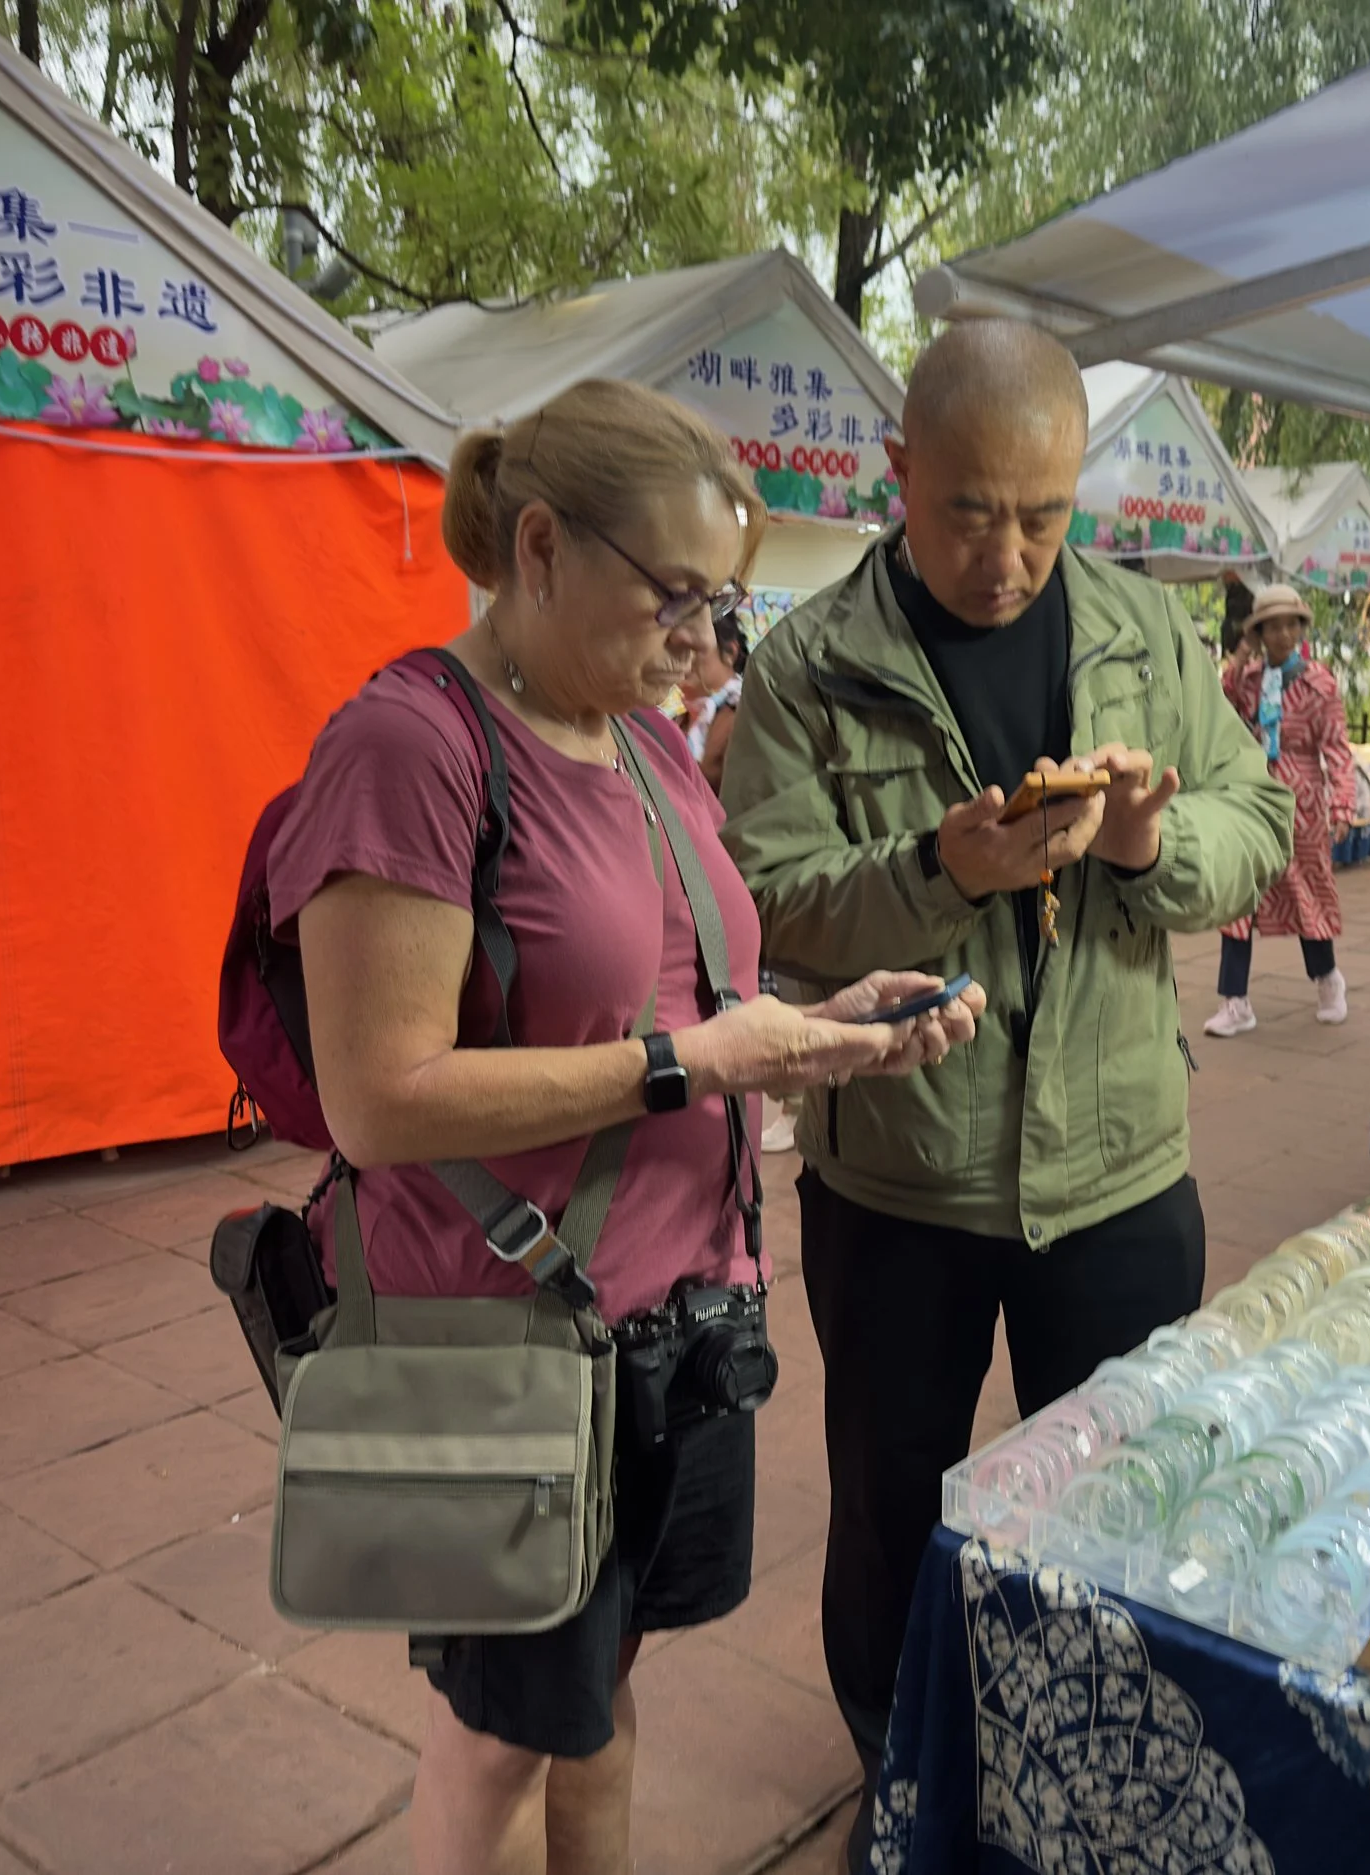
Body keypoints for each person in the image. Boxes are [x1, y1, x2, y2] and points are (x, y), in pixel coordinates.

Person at [269, 378, 982, 1875]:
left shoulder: (646, 747)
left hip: (671, 1330)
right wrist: (698, 1059)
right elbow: (379, 1095)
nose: (703, 645)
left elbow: (681, 1000)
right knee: (497, 1739)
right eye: (676, 596)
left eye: (722, 604)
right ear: (537, 547)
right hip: (506, 1343)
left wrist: (824, 1023)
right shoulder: (414, 745)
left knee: (600, 1695)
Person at [719, 319, 1288, 1856]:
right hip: (898, 1181)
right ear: (897, 472)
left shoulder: (1148, 637)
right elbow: (764, 898)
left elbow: (1261, 814)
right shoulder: (810, 666)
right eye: (970, 508)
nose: (1010, 553)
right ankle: (907, 1783)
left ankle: (1091, 1788)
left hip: (1114, 1171)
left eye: (1045, 511)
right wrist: (936, 869)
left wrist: (1145, 847)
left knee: (1121, 1505)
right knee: (893, 1504)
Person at [1202, 583, 1356, 1036]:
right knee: (1239, 896)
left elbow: (1338, 749)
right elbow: (1219, 705)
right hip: (1252, 796)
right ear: (1259, 631)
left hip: (1301, 803)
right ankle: (1235, 1001)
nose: (1284, 633)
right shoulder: (1246, 680)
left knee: (1306, 892)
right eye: (1272, 626)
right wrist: (1241, 655)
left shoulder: (1319, 683)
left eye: (1292, 623)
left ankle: (1328, 979)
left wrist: (1342, 803)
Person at [675, 614, 745, 792]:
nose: (681, 657)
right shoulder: (675, 722)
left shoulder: (749, 713)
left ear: (730, 652)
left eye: (693, 647)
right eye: (676, 647)